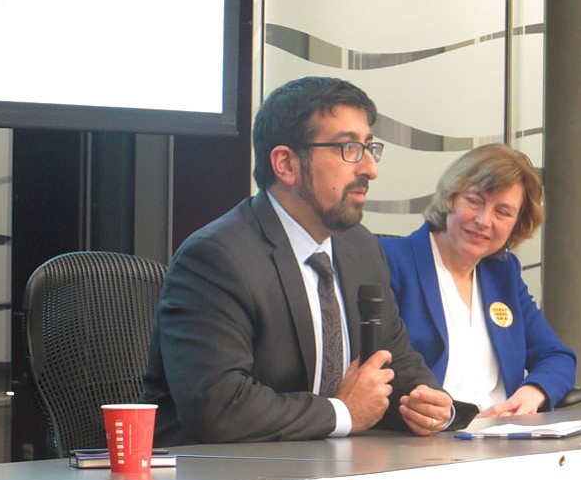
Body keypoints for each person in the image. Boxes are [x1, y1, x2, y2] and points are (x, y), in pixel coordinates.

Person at [140, 76, 478, 445]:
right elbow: (219, 406)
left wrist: (428, 402)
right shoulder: (217, 257)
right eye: (349, 147)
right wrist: (343, 411)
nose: (369, 168)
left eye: (369, 148)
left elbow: (393, 360)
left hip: (327, 468)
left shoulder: (359, 247)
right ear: (286, 164)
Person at [379, 143, 577, 417]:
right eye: (474, 201)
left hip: (503, 439)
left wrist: (534, 392)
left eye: (503, 212)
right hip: (427, 443)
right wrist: (457, 420)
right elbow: (379, 374)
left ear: (517, 224)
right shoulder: (390, 262)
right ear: (450, 197)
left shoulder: (503, 272)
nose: (484, 220)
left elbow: (557, 357)